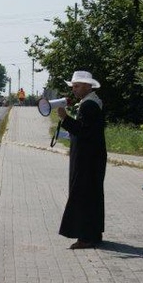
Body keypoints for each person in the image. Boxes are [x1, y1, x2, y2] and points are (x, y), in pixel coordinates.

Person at [56, 71, 107, 249]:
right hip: (92, 156)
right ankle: (93, 233)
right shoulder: (91, 102)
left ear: (87, 86)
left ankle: (85, 237)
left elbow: (84, 131)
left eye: (77, 86)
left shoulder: (89, 105)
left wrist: (65, 118)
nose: (74, 90)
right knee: (92, 194)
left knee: (82, 194)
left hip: (87, 158)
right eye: (74, 86)